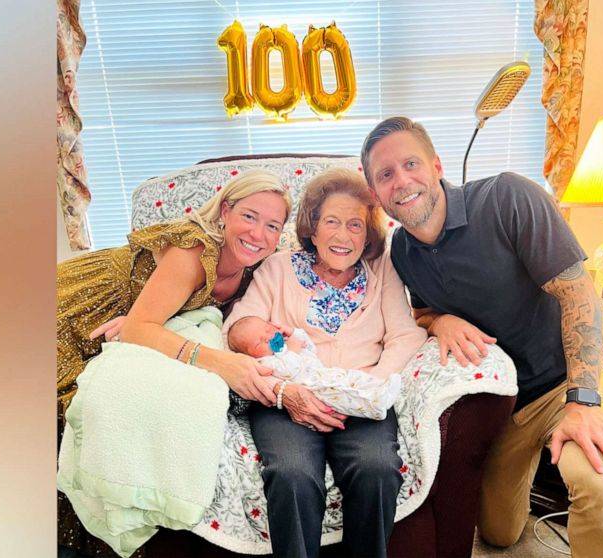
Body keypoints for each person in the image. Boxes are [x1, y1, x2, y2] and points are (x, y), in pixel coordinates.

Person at [360, 116, 603, 557]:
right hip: (509, 406)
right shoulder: (402, 251)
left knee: (602, 486)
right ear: (376, 194)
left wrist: (583, 401)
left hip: (566, 383)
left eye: (411, 164)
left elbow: (579, 294)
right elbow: (418, 312)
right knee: (497, 534)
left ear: (436, 165)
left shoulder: (507, 197)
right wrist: (438, 321)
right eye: (386, 175)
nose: (402, 181)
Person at [56, 169, 294, 556]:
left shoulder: (255, 268)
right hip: (79, 306)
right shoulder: (195, 251)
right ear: (226, 211)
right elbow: (137, 328)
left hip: (133, 315)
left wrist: (150, 320)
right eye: (249, 217)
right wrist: (216, 361)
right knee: (64, 410)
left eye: (272, 225)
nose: (257, 234)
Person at [222, 166, 427, 558]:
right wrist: (284, 381)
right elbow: (237, 330)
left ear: (367, 235)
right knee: (291, 474)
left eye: (355, 225)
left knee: (378, 469)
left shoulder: (382, 269)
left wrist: (367, 388)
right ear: (312, 229)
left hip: (361, 394)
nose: (342, 235)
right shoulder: (278, 267)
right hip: (290, 398)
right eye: (331, 221)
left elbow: (406, 335)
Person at [228, 316, 403, 420]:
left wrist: (294, 333)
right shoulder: (266, 363)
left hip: (326, 374)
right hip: (315, 390)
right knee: (346, 395)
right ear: (249, 355)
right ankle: (376, 407)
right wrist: (289, 351)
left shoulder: (288, 345)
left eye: (268, 329)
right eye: (259, 342)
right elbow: (289, 370)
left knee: (355, 377)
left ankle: (380, 388)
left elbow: (310, 348)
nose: (268, 337)